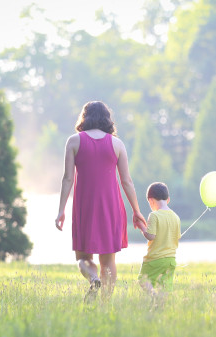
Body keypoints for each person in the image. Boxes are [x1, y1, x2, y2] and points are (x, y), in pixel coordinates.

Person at [55, 101, 146, 301]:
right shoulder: (117, 144)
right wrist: (136, 210)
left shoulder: (73, 141)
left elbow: (67, 179)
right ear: (107, 119)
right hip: (111, 206)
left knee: (83, 258)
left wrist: (61, 210)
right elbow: (127, 181)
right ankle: (104, 303)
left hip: (84, 206)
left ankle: (93, 277)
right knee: (108, 259)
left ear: (84, 118)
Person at [138, 182, 181, 299]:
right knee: (164, 286)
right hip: (171, 260)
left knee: (142, 279)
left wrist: (142, 226)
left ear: (150, 200)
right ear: (168, 199)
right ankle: (160, 306)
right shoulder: (176, 217)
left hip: (155, 259)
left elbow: (150, 236)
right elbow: (177, 237)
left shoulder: (154, 215)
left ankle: (153, 296)